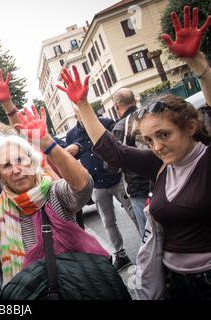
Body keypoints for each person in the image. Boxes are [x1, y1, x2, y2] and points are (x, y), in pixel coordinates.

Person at [57, 6, 211, 299]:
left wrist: (196, 62)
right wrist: (83, 105)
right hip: (172, 282)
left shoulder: (205, 160)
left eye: (164, 135)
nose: (156, 146)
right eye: (149, 139)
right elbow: (114, 153)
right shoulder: (161, 164)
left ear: (191, 127)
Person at [0, 105, 114, 292]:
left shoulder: (54, 193)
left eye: (20, 160)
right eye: (6, 165)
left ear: (33, 161)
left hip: (77, 289)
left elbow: (83, 187)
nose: (16, 169)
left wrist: (48, 144)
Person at [66, 109, 137, 271]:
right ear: (76, 114)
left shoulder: (105, 123)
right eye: (78, 111)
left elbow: (118, 144)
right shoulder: (72, 134)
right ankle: (121, 255)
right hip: (97, 186)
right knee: (108, 221)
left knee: (134, 212)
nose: (82, 113)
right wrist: (73, 150)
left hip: (117, 179)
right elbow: (69, 158)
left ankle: (149, 245)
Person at [111, 88, 151, 237]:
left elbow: (113, 164)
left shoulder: (121, 127)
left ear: (116, 107)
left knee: (148, 235)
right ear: (135, 101)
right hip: (165, 180)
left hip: (138, 188)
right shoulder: (150, 115)